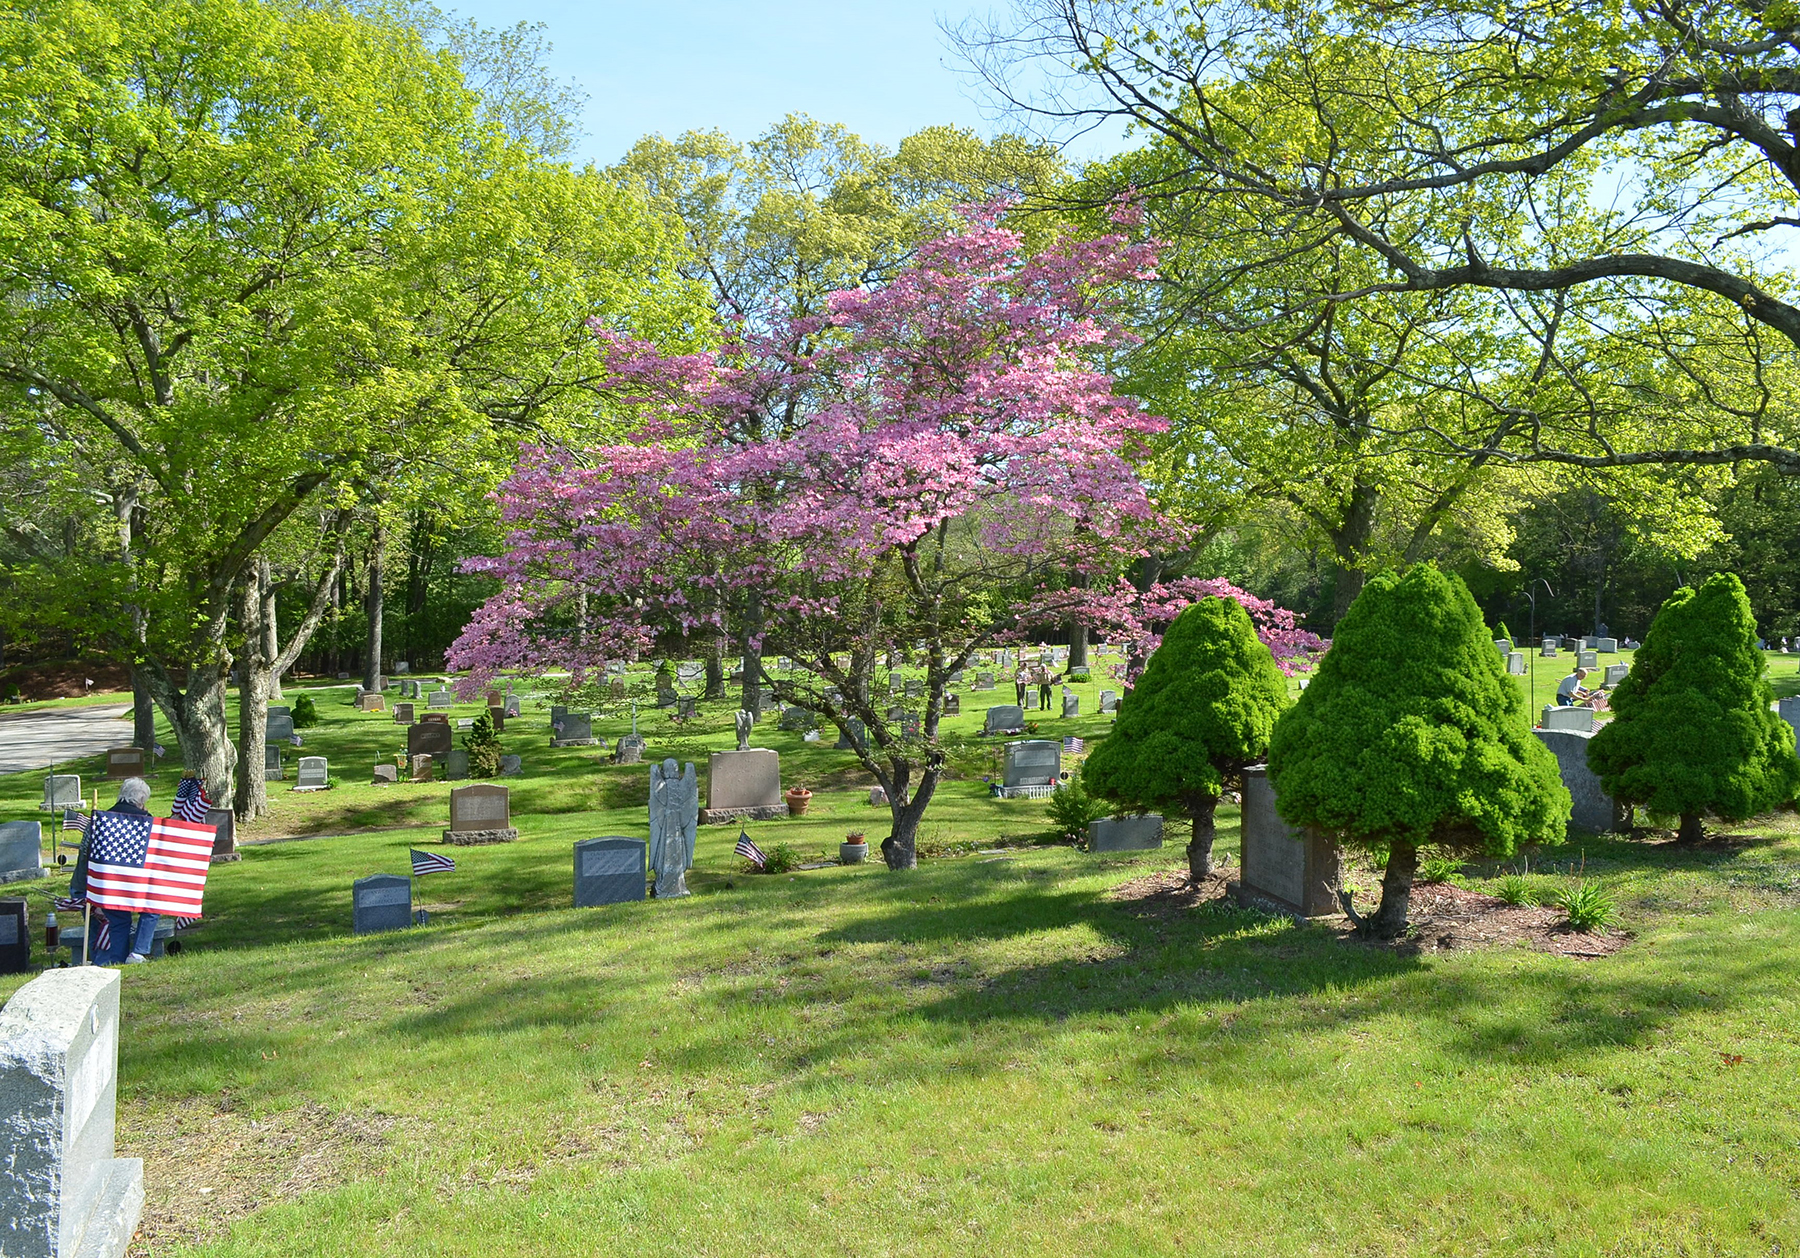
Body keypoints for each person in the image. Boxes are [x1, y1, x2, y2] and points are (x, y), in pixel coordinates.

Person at [86, 777, 160, 965]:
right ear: (141, 800)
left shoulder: (103, 818)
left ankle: (117, 959)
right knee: (152, 908)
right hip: (136, 884)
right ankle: (138, 952)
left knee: (119, 921)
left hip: (108, 883)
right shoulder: (146, 820)